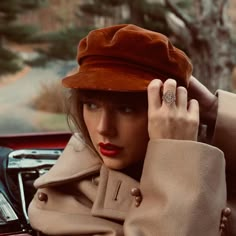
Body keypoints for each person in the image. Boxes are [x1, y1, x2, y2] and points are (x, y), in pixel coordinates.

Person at [28, 24, 235, 235]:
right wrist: (176, 157)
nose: (104, 128)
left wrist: (212, 109)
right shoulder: (65, 203)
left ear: (167, 109)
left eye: (126, 109)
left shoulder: (209, 156)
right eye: (92, 105)